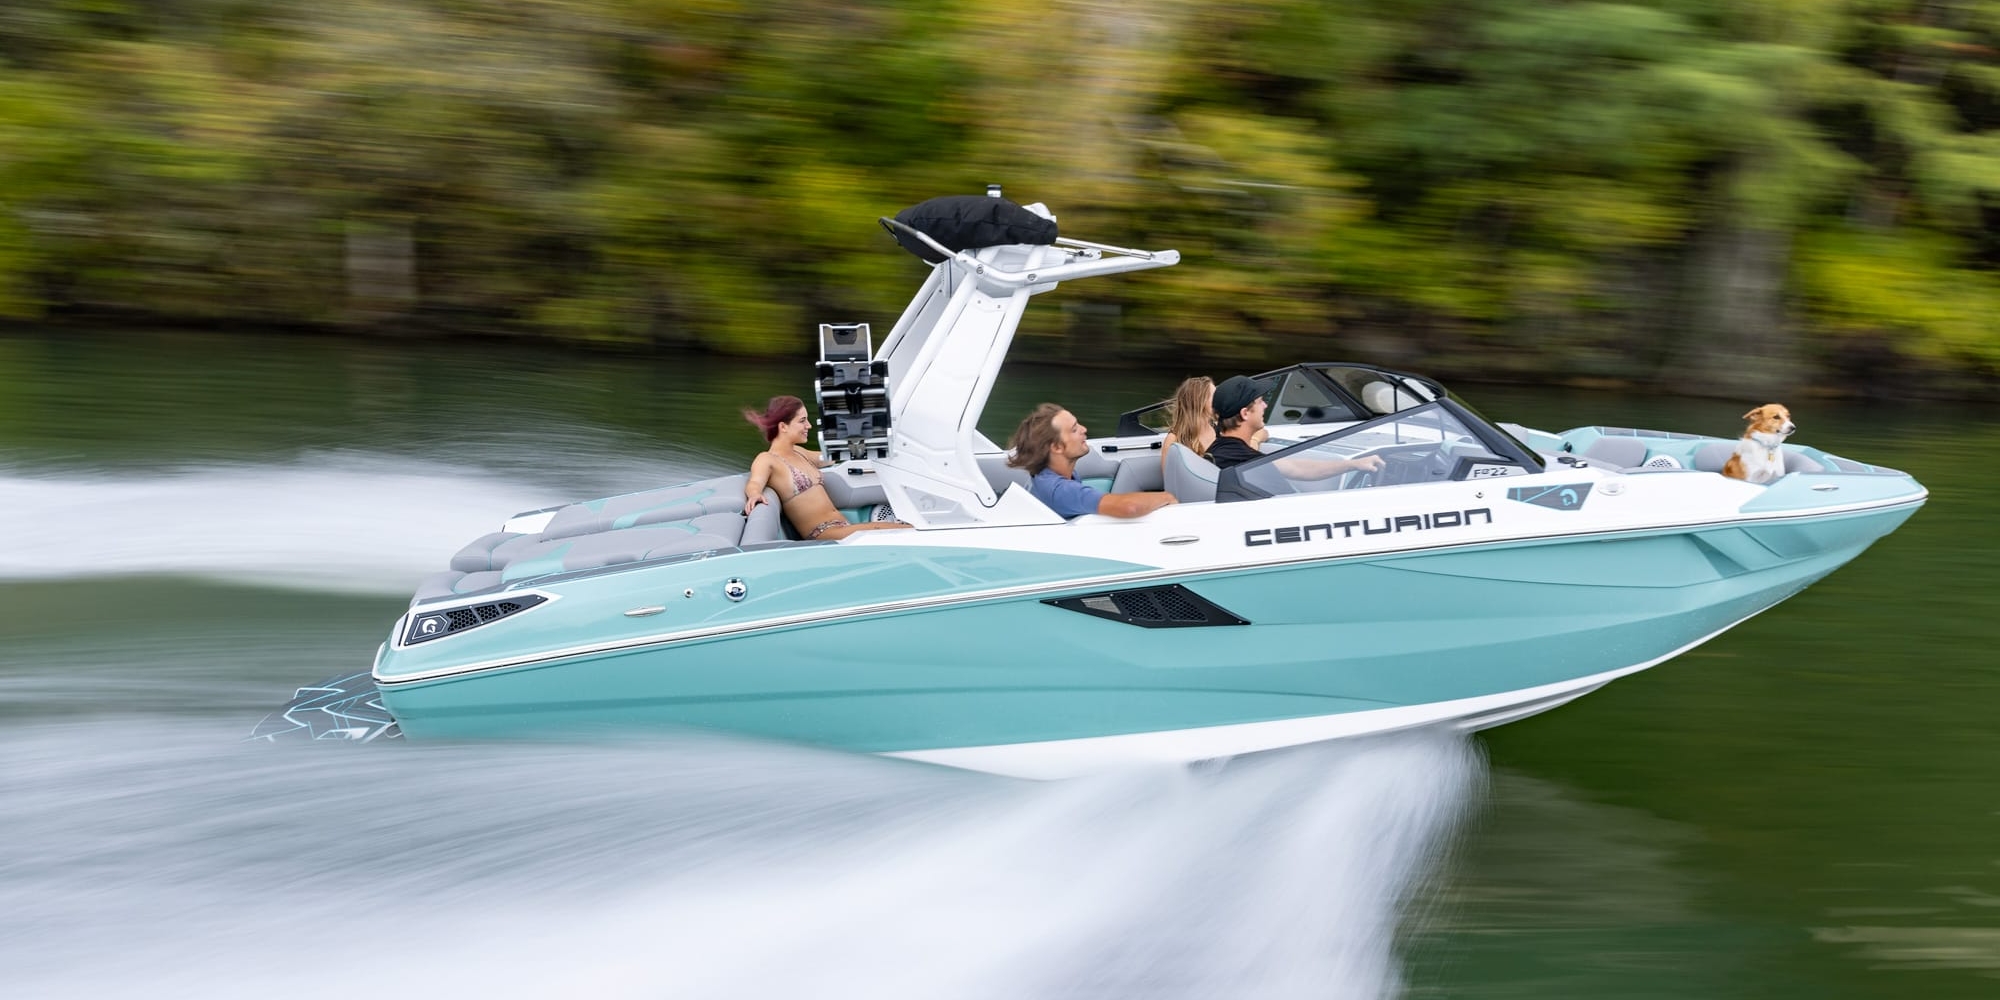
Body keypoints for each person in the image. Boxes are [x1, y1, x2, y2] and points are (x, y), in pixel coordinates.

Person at [742, 396, 911, 540]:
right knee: (904, 530)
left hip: (842, 527)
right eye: (802, 421)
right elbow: (755, 482)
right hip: (823, 534)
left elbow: (829, 457)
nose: (809, 426)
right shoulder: (767, 459)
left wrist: (869, 442)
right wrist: (755, 494)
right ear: (783, 426)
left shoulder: (799, 452)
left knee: (908, 526)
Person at [1007, 403, 1177, 519]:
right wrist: (1167, 497)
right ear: (1057, 447)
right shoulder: (1061, 491)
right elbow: (1129, 507)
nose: (1084, 429)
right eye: (1074, 429)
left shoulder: (1047, 476)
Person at [1207, 375, 1385, 478]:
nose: (1265, 406)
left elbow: (1295, 467)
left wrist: (1354, 464)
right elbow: (1296, 471)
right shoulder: (1244, 463)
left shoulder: (1223, 450)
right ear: (1245, 413)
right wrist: (1354, 464)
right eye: (1260, 402)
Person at [1158, 375, 1265, 476]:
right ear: (1200, 402)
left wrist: (1255, 440)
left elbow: (1260, 431)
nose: (1220, 399)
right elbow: (1170, 480)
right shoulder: (1174, 439)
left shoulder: (1217, 427)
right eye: (1215, 396)